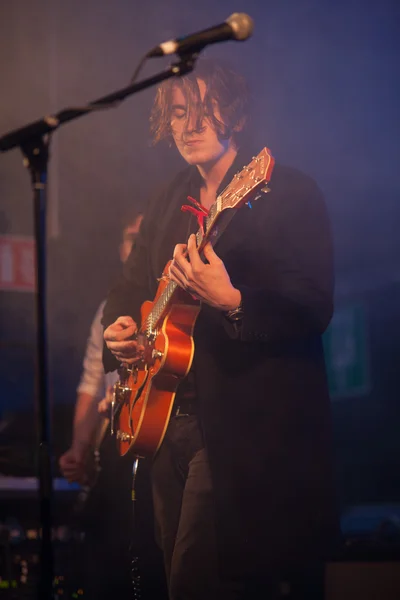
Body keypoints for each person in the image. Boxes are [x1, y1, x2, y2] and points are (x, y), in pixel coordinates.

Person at [102, 59, 338, 600]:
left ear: (235, 114)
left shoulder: (289, 191)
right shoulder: (168, 198)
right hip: (164, 423)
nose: (190, 126)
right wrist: (118, 331)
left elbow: (312, 307)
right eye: (179, 113)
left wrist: (232, 300)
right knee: (170, 576)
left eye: (205, 111)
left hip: (242, 427)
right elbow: (128, 284)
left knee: (197, 581)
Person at [59, 210, 143, 600]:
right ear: (120, 248)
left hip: (151, 447)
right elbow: (91, 383)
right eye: (129, 238)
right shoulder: (108, 307)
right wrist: (80, 447)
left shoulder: (176, 295)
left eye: (143, 237)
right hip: (111, 449)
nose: (136, 245)